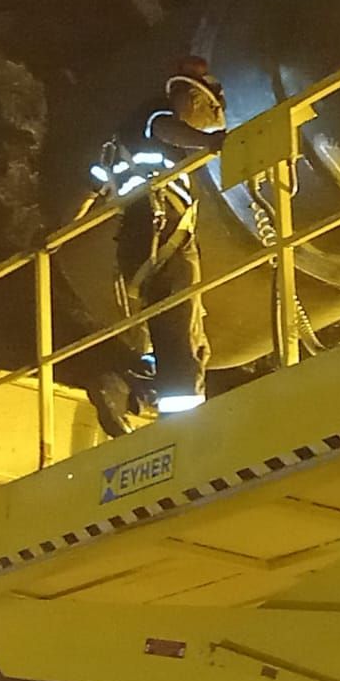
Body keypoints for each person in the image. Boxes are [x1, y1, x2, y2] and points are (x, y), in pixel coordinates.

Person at [87, 56, 227, 416]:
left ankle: (130, 387)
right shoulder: (157, 114)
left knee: (169, 334)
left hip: (137, 240)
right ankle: (183, 427)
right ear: (196, 100)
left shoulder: (117, 145)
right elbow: (165, 128)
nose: (210, 125)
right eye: (211, 116)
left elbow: (90, 190)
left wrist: (52, 237)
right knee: (183, 337)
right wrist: (211, 142)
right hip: (164, 235)